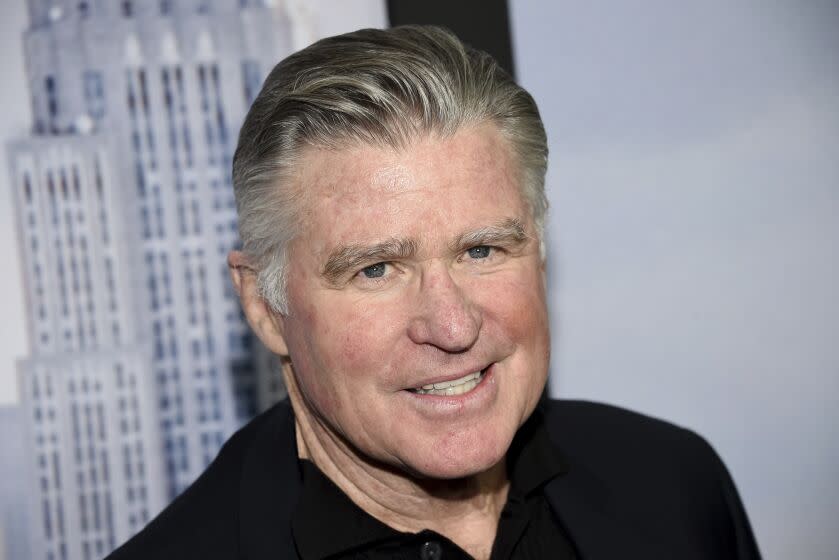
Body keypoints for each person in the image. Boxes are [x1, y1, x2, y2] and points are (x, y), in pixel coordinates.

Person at [108, 26, 760, 560]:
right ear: (262, 305)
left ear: (536, 247)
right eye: (376, 269)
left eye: (481, 250)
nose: (451, 327)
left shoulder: (673, 483)